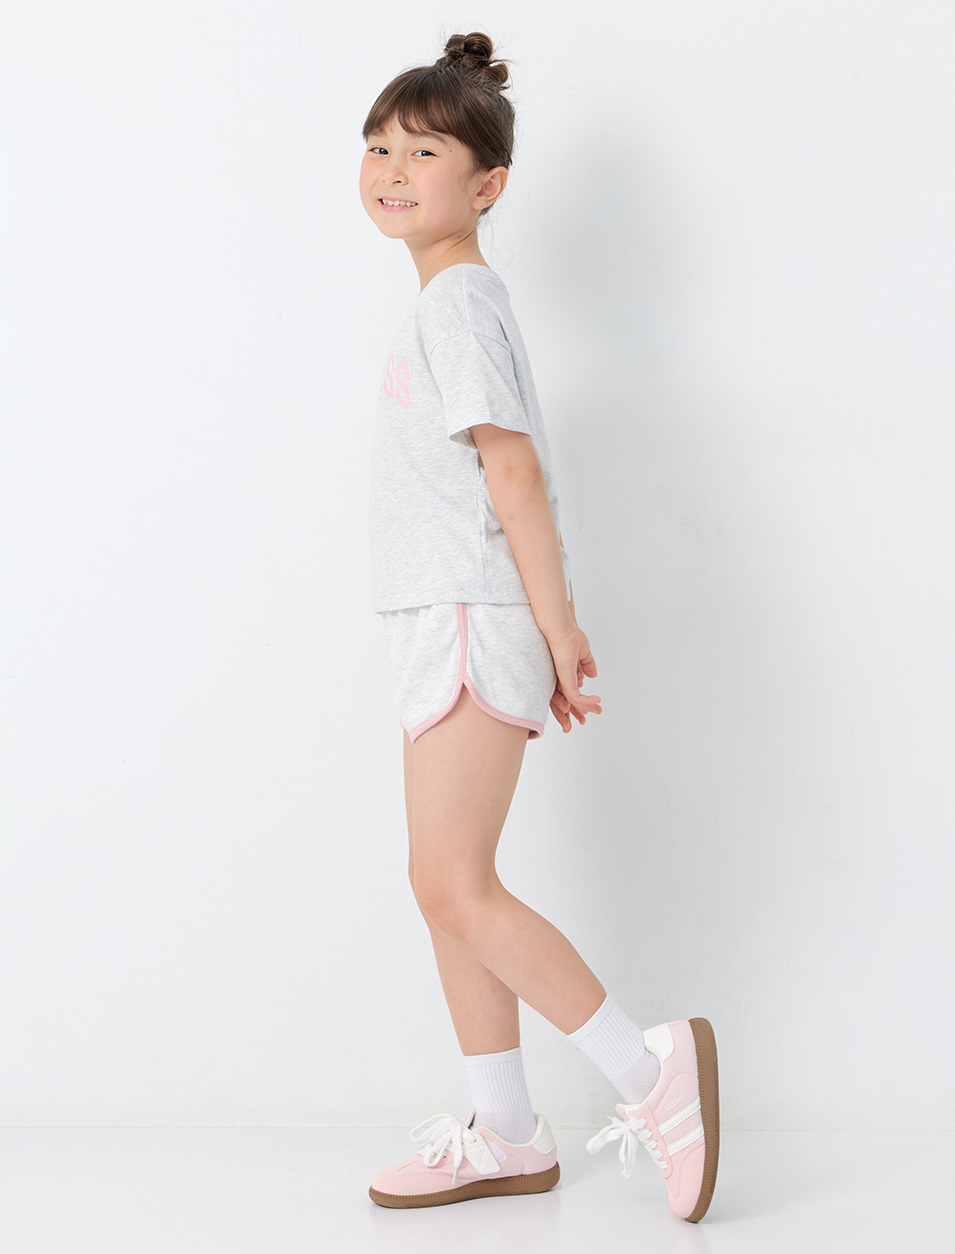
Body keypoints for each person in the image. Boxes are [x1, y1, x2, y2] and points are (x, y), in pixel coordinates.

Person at [358, 31, 719, 1223]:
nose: (392, 169)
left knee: (453, 881)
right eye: (378, 147)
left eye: (424, 151)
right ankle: (507, 1132)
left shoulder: (459, 305)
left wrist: (556, 631)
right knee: (443, 882)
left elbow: (511, 473)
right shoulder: (448, 302)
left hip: (473, 612)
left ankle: (648, 1074)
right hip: (449, 614)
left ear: (489, 184)